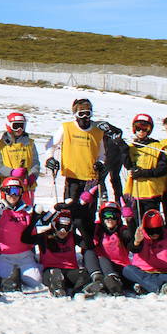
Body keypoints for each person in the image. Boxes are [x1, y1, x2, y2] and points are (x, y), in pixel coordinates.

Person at [44, 99, 106, 234]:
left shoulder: (97, 131)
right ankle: (69, 243)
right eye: (81, 114)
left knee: (88, 215)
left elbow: (102, 155)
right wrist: (50, 158)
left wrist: (101, 163)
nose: (85, 117)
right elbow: (50, 145)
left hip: (91, 181)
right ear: (75, 114)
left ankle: (87, 247)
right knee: (70, 213)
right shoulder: (66, 128)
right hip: (72, 179)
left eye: (88, 113)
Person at [0, 177, 41, 290]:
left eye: (17, 191)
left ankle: (19, 273)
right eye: (9, 191)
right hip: (3, 255)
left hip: (24, 255)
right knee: (7, 279)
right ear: (3, 192)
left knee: (35, 281)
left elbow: (37, 229)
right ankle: (13, 275)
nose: (13, 195)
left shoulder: (27, 210)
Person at [121, 210, 167, 298]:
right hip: (145, 272)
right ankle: (163, 287)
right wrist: (137, 241)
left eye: (157, 230)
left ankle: (148, 286)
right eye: (150, 231)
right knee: (127, 270)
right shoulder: (140, 235)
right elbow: (133, 249)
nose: (154, 234)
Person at [123, 114, 167, 219]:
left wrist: (143, 173)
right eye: (138, 128)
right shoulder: (131, 147)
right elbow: (127, 165)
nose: (141, 131)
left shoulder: (157, 147)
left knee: (151, 223)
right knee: (136, 223)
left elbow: (162, 169)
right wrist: (123, 151)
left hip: (151, 193)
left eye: (145, 128)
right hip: (135, 193)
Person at [0, 112, 40, 202]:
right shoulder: (1, 145)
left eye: (22, 126)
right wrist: (12, 172)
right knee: (8, 213)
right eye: (16, 126)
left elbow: (35, 162)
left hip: (27, 186)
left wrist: (33, 175)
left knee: (27, 212)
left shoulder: (30, 143)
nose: (19, 129)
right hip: (8, 187)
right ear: (9, 126)